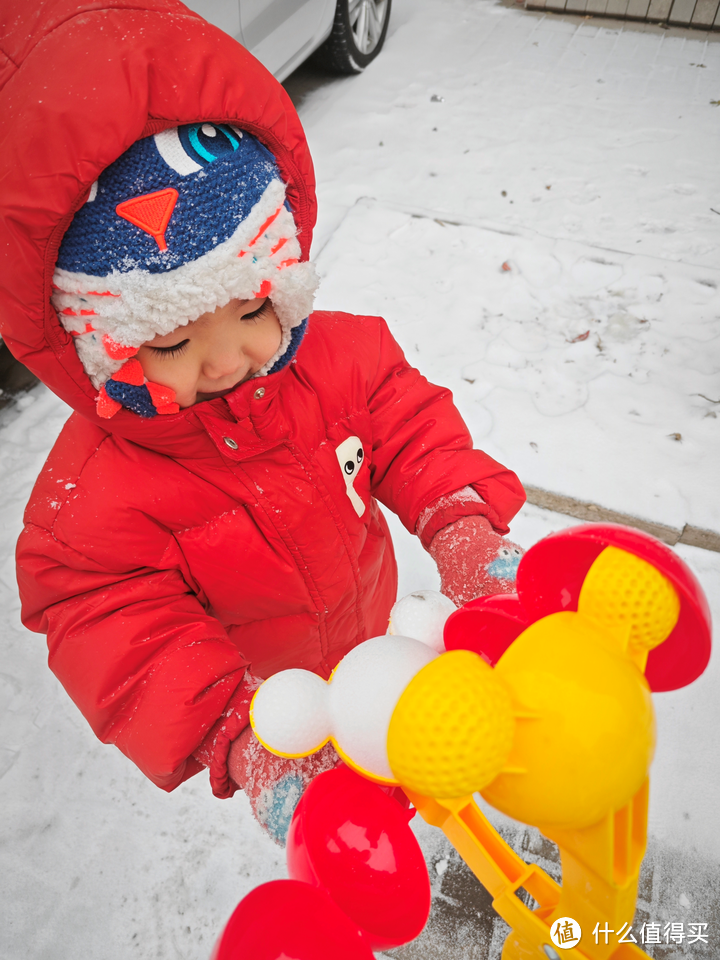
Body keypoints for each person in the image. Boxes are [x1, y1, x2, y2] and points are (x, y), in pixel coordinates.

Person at [2, 0, 525, 845]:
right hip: (272, 696)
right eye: (171, 341)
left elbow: (409, 423)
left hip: (373, 623)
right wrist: (242, 739)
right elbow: (115, 630)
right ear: (94, 343)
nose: (227, 361)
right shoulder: (92, 502)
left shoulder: (338, 359)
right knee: (351, 812)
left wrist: (458, 519)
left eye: (251, 308)